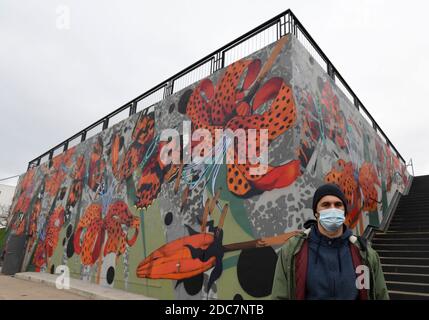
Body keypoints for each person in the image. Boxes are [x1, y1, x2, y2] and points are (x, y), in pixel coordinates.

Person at [271, 183, 389, 300]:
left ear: (344, 212)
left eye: (338, 205)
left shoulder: (365, 253)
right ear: (316, 213)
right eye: (326, 205)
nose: (332, 209)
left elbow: (380, 295)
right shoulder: (293, 251)